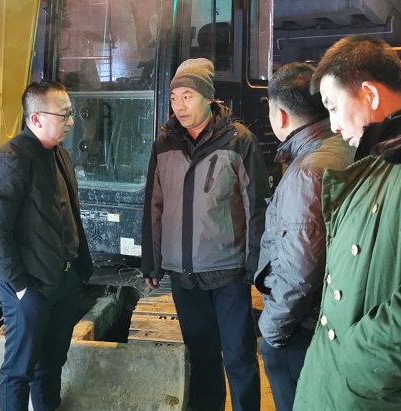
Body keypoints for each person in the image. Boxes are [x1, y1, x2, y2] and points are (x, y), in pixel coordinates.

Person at [141, 58, 269, 411]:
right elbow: (154, 205)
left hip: (227, 270)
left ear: (208, 98)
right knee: (200, 356)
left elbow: (257, 206)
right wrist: (152, 262)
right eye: (174, 98)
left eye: (187, 96)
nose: (179, 106)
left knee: (239, 355)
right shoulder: (164, 144)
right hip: (183, 274)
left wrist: (255, 265)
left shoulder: (238, 141)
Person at [292, 35, 401, 410]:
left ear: (370, 94)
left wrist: (356, 359)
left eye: (333, 107)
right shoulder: (379, 162)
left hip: (365, 390)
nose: (334, 126)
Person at [0, 79, 93, 411]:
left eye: (71, 113)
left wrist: (78, 273)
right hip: (30, 288)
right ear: (36, 119)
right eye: (64, 114)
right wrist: (21, 289)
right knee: (19, 371)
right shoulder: (9, 161)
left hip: (64, 281)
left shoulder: (60, 155)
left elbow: (69, 217)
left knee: (52, 363)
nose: (71, 121)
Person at [254, 62, 354, 411]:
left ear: (280, 115)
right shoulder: (343, 147)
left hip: (301, 328)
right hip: (333, 319)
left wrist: (272, 332)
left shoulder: (307, 171)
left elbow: (299, 271)